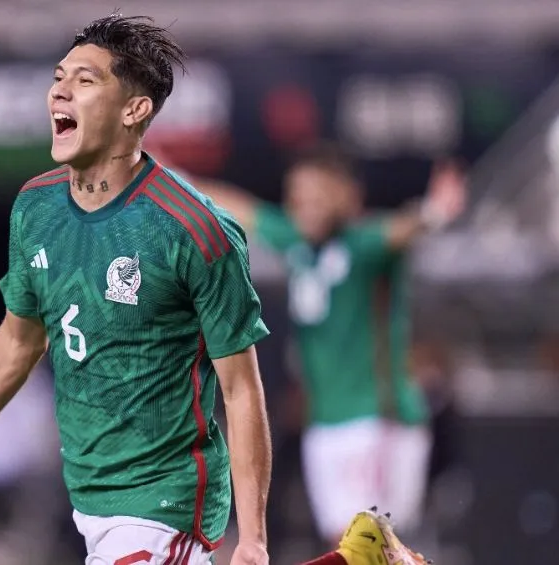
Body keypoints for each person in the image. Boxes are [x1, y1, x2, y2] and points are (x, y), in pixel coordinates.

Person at [0, 14, 431, 565]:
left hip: (167, 499)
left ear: (134, 110)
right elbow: (19, 339)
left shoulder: (193, 229)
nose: (60, 92)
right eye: (59, 77)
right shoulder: (35, 207)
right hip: (90, 494)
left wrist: (253, 537)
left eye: (84, 81)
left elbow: (240, 386)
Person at [171, 143, 464, 555]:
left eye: (317, 196)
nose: (305, 206)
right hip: (327, 423)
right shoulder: (296, 242)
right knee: (369, 550)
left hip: (376, 418)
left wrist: (434, 212)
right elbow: (237, 207)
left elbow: (404, 228)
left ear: (346, 195)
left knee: (363, 547)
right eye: (298, 197)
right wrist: (161, 173)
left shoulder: (363, 245)